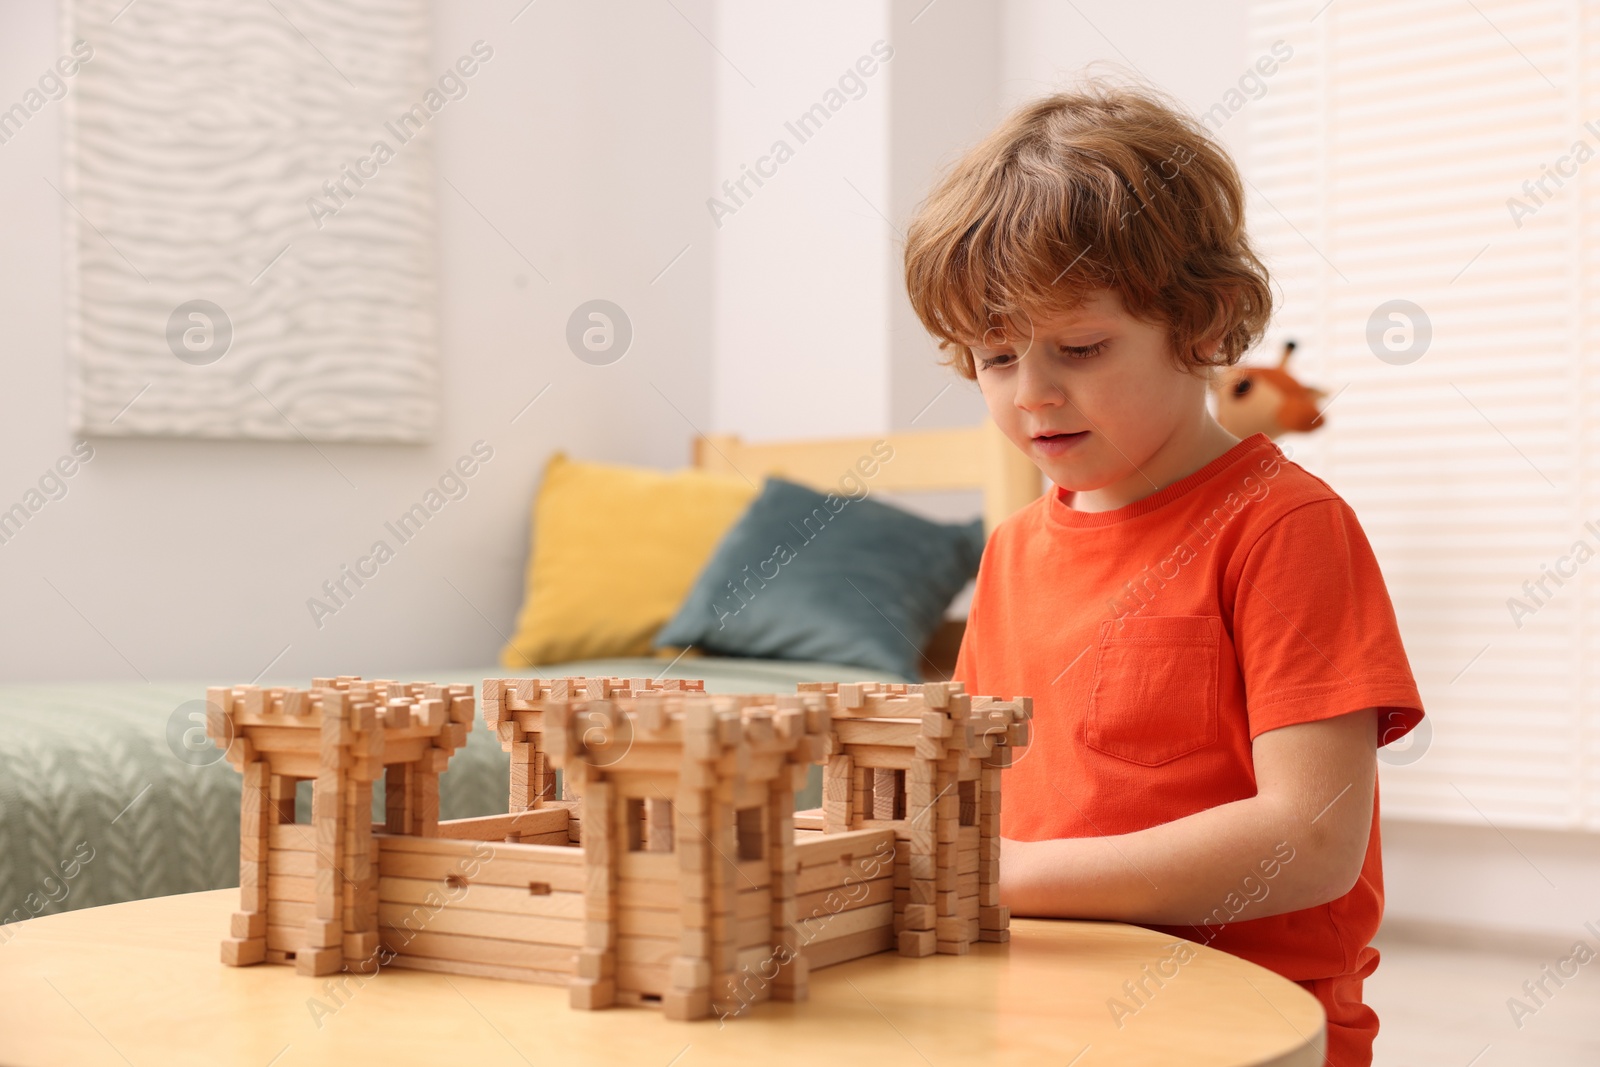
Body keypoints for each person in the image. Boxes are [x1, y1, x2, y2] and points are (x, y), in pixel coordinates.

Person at [902, 76, 1426, 1067]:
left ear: (1207, 321)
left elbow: (1309, 841)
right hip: (1039, 997)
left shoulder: (1286, 527)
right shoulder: (1014, 547)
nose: (1032, 393)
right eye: (994, 356)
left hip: (1244, 1017)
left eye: (1080, 346)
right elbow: (963, 795)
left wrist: (1002, 873)